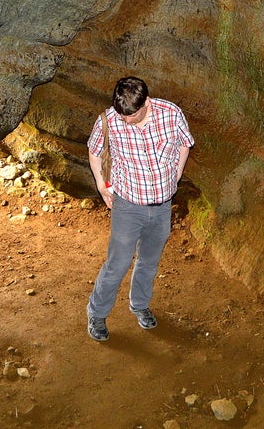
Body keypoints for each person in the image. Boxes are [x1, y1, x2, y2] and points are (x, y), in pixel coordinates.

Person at [85, 77, 194, 341]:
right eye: (122, 116)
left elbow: (184, 143)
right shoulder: (109, 120)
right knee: (118, 262)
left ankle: (140, 305)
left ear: (146, 102)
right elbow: (95, 150)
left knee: (149, 261)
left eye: (131, 116)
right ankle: (97, 313)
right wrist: (101, 184)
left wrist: (177, 174)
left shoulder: (170, 113)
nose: (126, 121)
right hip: (128, 204)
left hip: (161, 206)